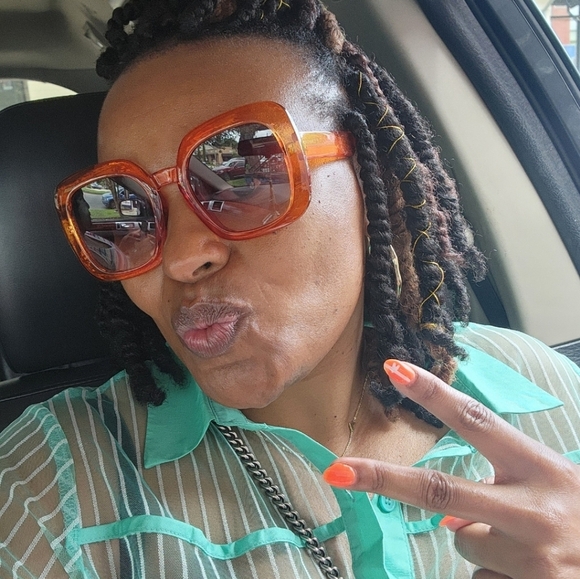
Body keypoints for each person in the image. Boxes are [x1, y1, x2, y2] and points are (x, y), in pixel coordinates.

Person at [1, 1, 580, 578]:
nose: (180, 258)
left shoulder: (550, 392)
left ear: (368, 179)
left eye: (242, 175)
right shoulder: (46, 490)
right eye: (119, 212)